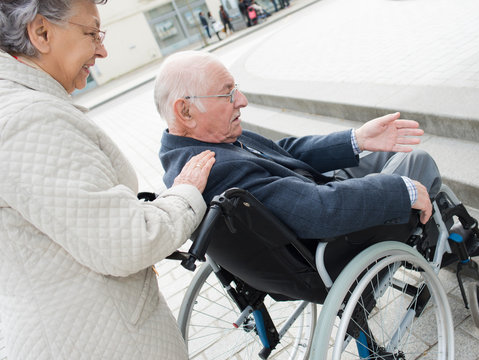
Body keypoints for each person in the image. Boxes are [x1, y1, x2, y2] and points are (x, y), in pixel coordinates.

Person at [0, 2, 215, 359]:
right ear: (41, 33)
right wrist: (185, 193)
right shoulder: (30, 120)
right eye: (91, 33)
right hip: (98, 340)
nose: (102, 49)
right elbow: (127, 242)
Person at [155, 51, 441, 241]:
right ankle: (443, 242)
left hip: (309, 193)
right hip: (330, 236)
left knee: (388, 153)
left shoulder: (190, 149)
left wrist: (357, 139)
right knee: (416, 162)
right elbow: (320, 211)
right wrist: (404, 189)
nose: (242, 100)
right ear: (186, 112)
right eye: (228, 94)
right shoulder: (219, 169)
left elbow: (282, 153)